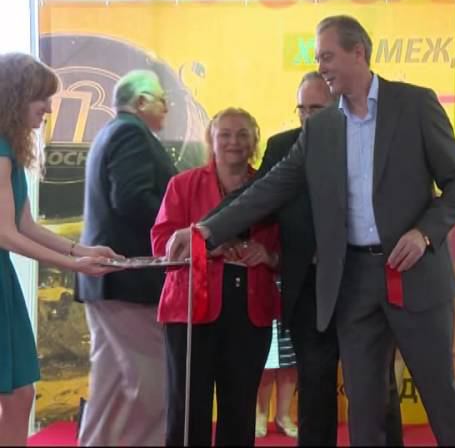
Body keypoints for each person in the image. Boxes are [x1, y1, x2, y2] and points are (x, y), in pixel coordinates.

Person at [167, 15, 455, 446]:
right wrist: (206, 229)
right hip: (352, 283)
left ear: (358, 52)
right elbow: (269, 188)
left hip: (415, 274)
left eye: (327, 57)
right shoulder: (321, 128)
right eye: (318, 58)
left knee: (441, 399)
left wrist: (424, 233)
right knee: (365, 408)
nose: (321, 66)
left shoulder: (416, 104)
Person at [210, 71, 404, 446]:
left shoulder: (369, 143)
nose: (308, 118)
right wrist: (208, 231)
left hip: (363, 280)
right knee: (314, 383)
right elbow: (256, 199)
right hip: (309, 288)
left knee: (375, 384)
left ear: (339, 106)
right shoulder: (284, 146)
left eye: (317, 109)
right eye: (302, 109)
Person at [0, 53, 119, 446]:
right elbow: (5, 234)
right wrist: (76, 264)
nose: (49, 109)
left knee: (20, 394)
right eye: (41, 98)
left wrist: (82, 250)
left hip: (4, 279)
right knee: (16, 395)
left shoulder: (10, 149)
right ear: (16, 97)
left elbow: (26, 226)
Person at [151, 107, 281, 446]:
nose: (234, 142)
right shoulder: (183, 185)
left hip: (250, 314)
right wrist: (205, 247)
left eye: (242, 134)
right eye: (225, 134)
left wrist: (269, 255)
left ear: (255, 141)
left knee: (239, 411)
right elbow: (162, 245)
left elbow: (292, 250)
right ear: (211, 140)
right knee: (187, 410)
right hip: (190, 314)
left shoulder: (273, 189)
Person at [75, 70, 177, 446]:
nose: (167, 108)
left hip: (108, 280)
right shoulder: (131, 134)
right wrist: (177, 229)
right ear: (141, 101)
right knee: (156, 383)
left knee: (111, 385)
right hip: (128, 279)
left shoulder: (111, 132)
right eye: (162, 99)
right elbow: (132, 198)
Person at [255, 318, 298, 439]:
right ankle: (261, 415)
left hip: (290, 311)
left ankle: (283, 416)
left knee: (290, 357)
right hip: (266, 312)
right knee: (266, 358)